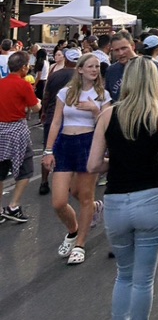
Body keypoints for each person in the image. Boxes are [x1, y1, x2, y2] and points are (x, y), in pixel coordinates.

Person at [87, 56, 158, 320]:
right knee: (143, 280)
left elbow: (93, 165)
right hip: (151, 199)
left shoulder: (107, 115)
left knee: (123, 276)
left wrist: (120, 162)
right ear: (153, 81)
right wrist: (148, 156)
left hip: (116, 202)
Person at [41, 52, 110, 264]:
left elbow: (105, 125)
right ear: (79, 69)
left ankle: (80, 244)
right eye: (90, 66)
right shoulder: (66, 92)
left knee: (85, 196)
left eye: (97, 66)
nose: (94, 70)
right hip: (65, 143)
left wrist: (95, 109)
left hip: (88, 143)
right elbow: (56, 122)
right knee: (60, 200)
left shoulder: (102, 95)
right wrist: (48, 150)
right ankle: (73, 230)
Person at [0, 51, 41, 223]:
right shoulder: (24, 85)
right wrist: (37, 101)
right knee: (26, 168)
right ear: (24, 67)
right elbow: (36, 107)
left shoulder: (1, 83)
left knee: (0, 170)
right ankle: (14, 206)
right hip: (17, 129)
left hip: (0, 129)